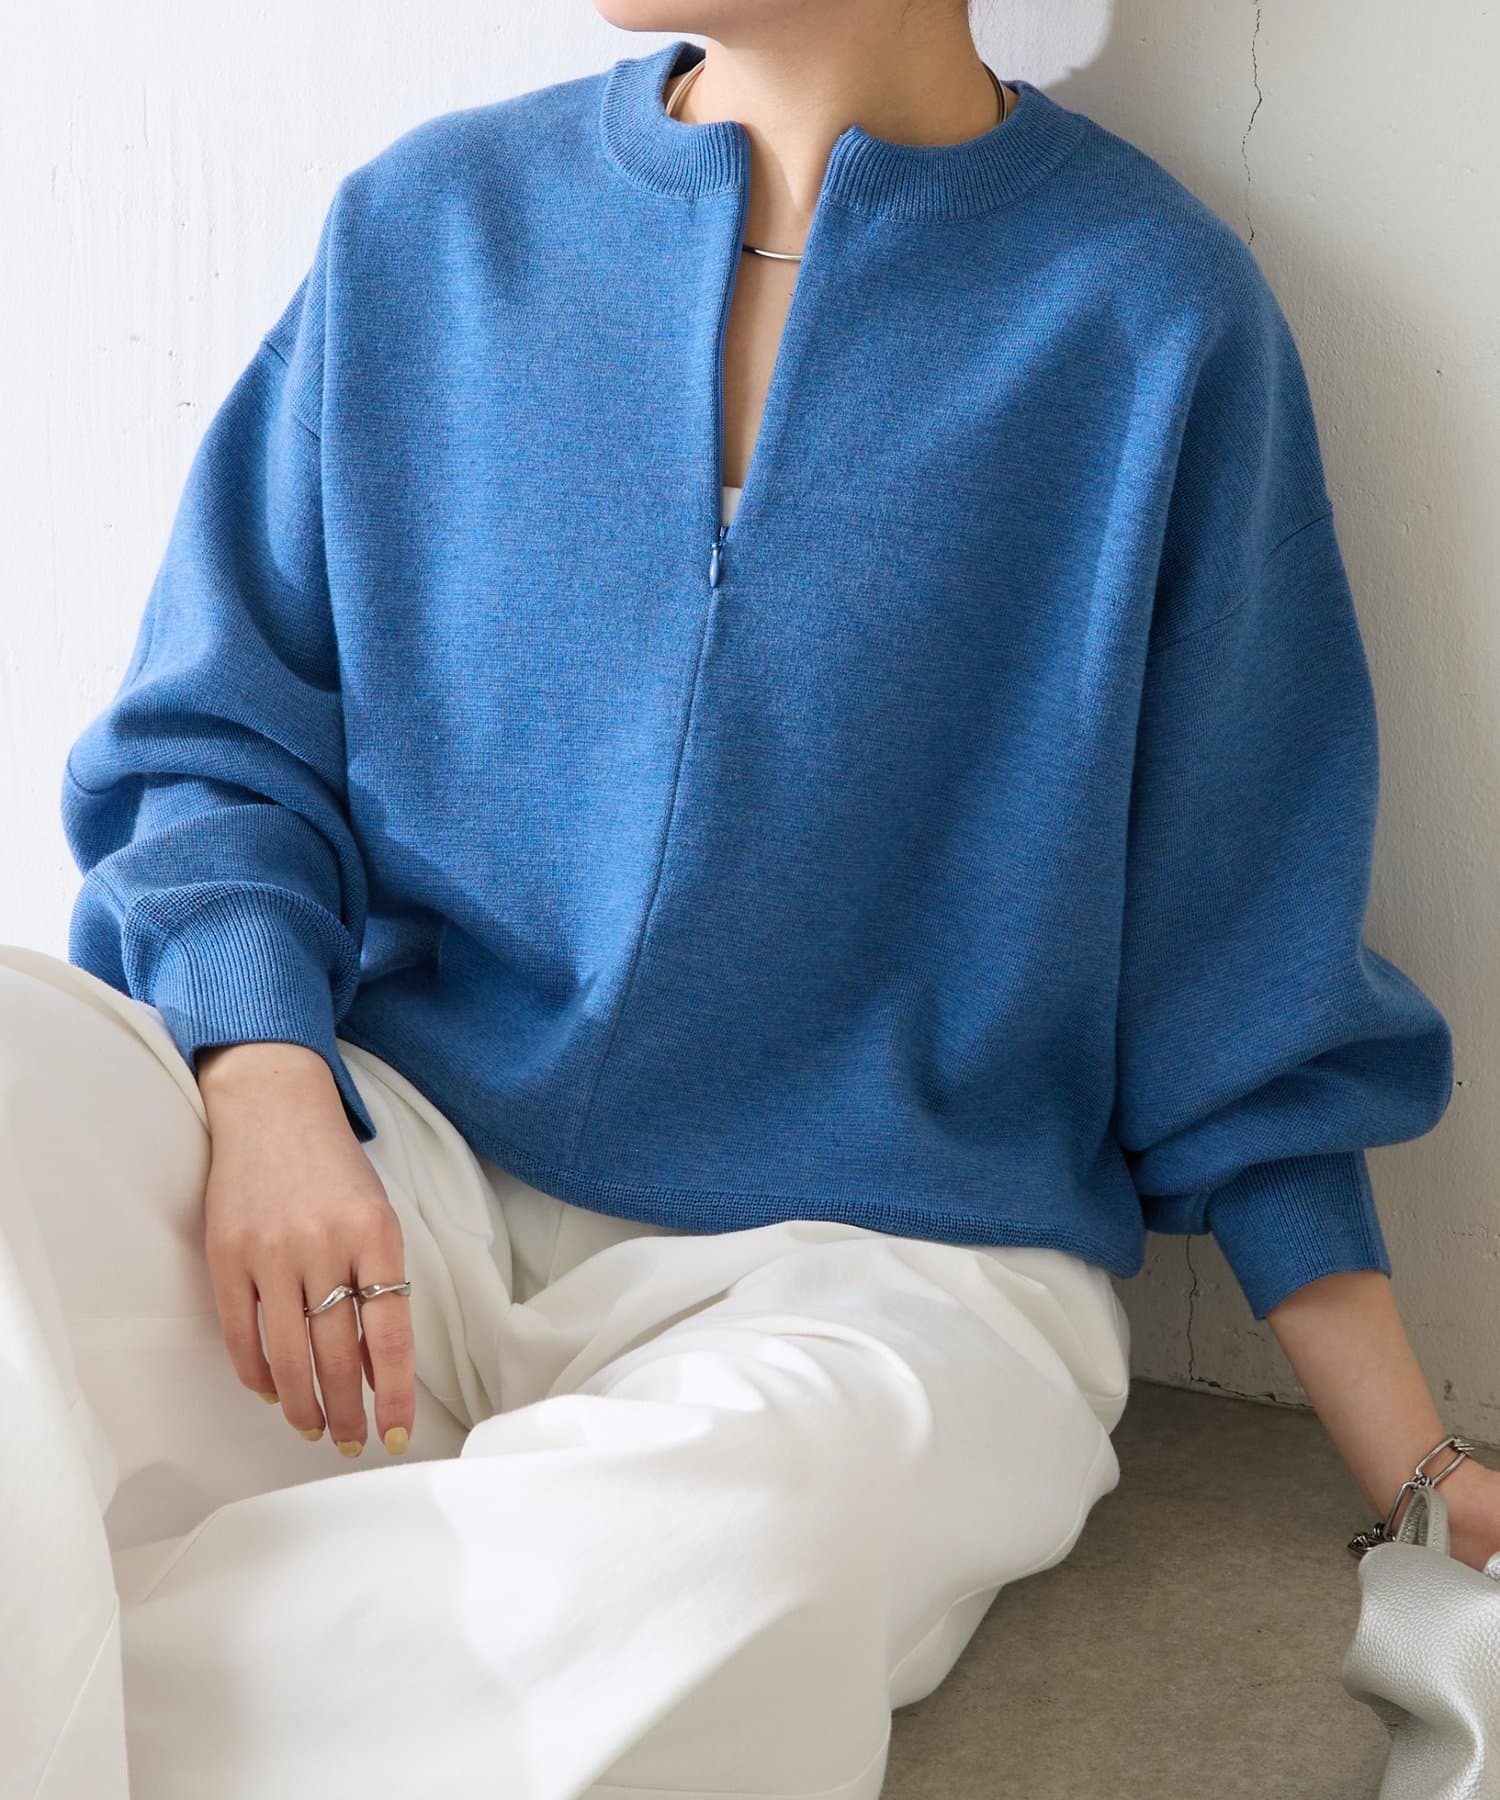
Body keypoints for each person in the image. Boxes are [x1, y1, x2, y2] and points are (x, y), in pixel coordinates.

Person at [4, 8, 1486, 1797]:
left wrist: (1420, 1472)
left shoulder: (1149, 317)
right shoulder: (432, 225)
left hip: (884, 1272)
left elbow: (1235, 954)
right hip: (396, 1168)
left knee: (736, 1547)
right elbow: (218, 739)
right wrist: (262, 1078)